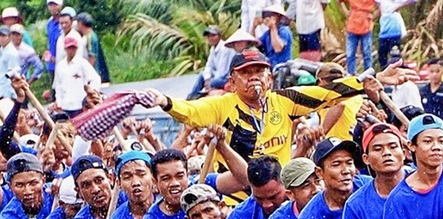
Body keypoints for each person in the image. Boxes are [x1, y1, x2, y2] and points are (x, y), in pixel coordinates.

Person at [146, 49, 393, 166]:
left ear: (270, 79)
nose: (253, 77)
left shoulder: (283, 100)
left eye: (259, 72)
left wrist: (371, 79)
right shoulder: (222, 104)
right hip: (237, 197)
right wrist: (164, 101)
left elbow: (326, 93)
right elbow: (190, 111)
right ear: (232, 81)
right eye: (246, 73)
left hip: (281, 192)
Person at [53, 36, 101, 118]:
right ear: (65, 49)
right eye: (69, 48)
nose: (71, 50)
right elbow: (58, 86)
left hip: (80, 104)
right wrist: (59, 101)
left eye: (73, 48)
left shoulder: (82, 63)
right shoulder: (60, 66)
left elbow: (95, 78)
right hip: (66, 105)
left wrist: (91, 93)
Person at [187, 26, 234, 99]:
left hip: (227, 78)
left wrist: (210, 82)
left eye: (213, 35)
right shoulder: (212, 49)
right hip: (217, 77)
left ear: (219, 36)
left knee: (213, 82)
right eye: (209, 36)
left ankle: (202, 94)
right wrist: (207, 79)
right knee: (202, 75)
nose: (210, 38)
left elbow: (222, 71)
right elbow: (209, 66)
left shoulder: (225, 48)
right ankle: (192, 96)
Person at [340, 0, 376, 74]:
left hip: (366, 25)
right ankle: (351, 73)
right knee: (350, 53)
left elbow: (383, 4)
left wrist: (374, 15)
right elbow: (340, 1)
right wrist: (346, 13)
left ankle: (368, 73)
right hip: (353, 25)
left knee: (367, 53)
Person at [75, 12, 110, 84]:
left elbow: (92, 57)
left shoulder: (90, 37)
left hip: (92, 73)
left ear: (81, 23)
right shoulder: (88, 36)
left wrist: (87, 73)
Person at [376, 0, 412, 69]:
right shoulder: (382, 1)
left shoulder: (397, 2)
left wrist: (399, 6)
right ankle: (383, 71)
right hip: (383, 33)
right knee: (382, 55)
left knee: (395, 55)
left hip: (394, 33)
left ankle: (398, 71)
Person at [0, 26, 19, 101]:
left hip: (7, 92)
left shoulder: (11, 52)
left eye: (3, 36)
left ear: (9, 37)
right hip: (0, 89)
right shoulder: (2, 49)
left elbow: (12, 74)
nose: (1, 38)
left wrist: (9, 94)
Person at [44, 0, 63, 78]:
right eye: (50, 5)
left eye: (55, 5)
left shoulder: (64, 22)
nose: (53, 8)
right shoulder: (49, 23)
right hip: (52, 64)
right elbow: (49, 41)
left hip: (63, 63)